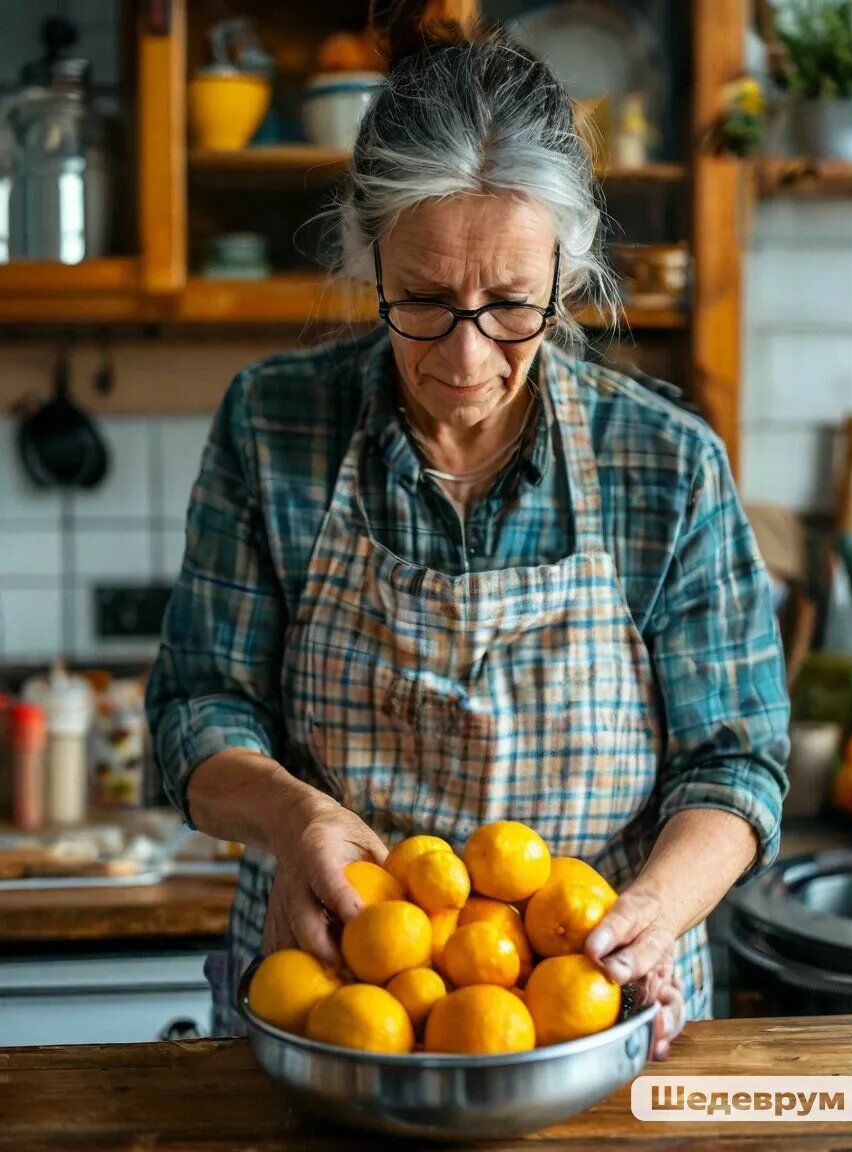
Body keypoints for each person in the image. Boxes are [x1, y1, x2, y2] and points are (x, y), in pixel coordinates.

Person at [145, 1, 790, 1059]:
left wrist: (655, 914)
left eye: (511, 304)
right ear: (369, 262)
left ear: (566, 277)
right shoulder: (274, 427)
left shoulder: (665, 465)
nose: (464, 354)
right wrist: (288, 817)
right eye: (424, 300)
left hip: (587, 1005)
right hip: (336, 1009)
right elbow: (196, 705)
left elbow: (735, 762)